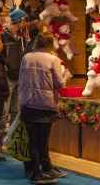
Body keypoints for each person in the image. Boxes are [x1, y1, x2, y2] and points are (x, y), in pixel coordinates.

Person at [19, 34, 67, 184]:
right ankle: (38, 172)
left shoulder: (27, 57)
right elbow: (60, 84)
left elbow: (21, 79)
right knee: (43, 139)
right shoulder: (53, 59)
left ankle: (41, 168)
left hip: (27, 102)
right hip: (45, 104)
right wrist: (66, 76)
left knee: (32, 140)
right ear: (50, 45)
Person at [1, 8, 29, 133]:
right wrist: (6, 68)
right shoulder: (4, 36)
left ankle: (12, 136)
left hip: (20, 76)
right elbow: (0, 56)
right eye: (24, 21)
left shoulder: (22, 37)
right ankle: (0, 137)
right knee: (4, 108)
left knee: (15, 109)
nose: (25, 24)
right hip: (8, 76)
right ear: (19, 21)